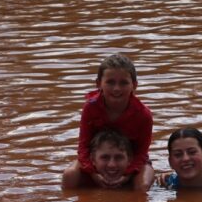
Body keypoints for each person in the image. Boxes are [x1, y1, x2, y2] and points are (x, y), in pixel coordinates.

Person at [62, 54, 154, 191]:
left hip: (131, 163)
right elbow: (83, 148)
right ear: (98, 84)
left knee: (143, 186)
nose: (117, 88)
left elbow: (141, 153)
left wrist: (127, 175)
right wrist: (93, 174)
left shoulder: (143, 115)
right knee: (69, 176)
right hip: (97, 162)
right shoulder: (90, 108)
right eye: (110, 82)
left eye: (123, 83)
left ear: (134, 85)